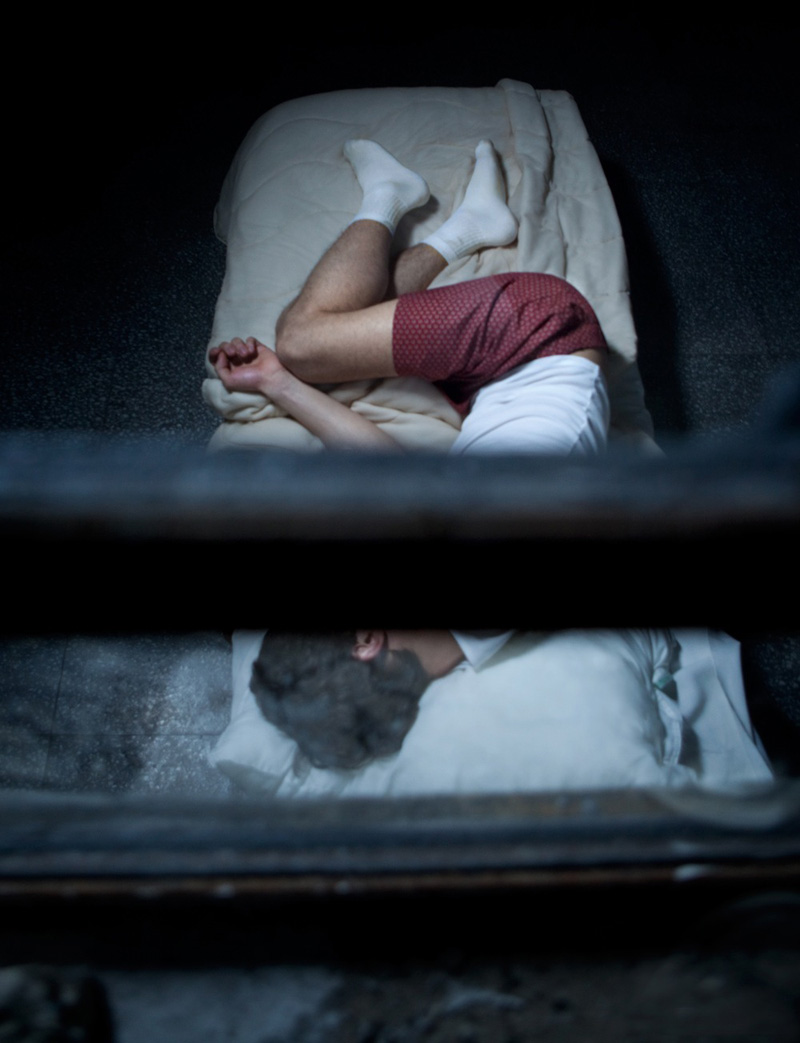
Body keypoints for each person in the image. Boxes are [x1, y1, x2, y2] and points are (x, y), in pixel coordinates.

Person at [210, 140, 611, 769]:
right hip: (539, 333)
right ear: (367, 640)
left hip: (488, 391)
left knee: (343, 328)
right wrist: (286, 371)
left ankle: (469, 227)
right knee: (305, 341)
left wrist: (276, 386)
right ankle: (392, 198)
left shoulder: (466, 634)